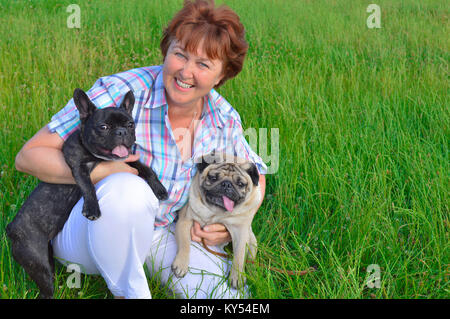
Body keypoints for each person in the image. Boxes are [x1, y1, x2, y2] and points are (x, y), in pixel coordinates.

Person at [15, 0, 266, 299]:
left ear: (222, 76)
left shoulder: (222, 118)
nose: (186, 72)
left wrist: (228, 224)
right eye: (179, 55)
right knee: (128, 189)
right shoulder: (120, 90)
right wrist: (107, 170)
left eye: (203, 64)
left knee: (229, 300)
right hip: (89, 228)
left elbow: (256, 176)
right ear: (166, 51)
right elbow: (28, 156)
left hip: (164, 232)